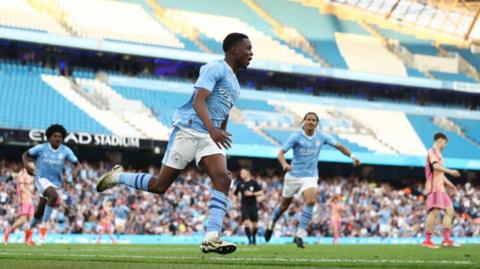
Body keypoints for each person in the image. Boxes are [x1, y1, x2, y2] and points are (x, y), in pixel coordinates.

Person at [96, 33, 253, 255]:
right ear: (234, 50)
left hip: (209, 136)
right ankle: (117, 176)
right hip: (188, 129)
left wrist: (221, 132)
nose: (251, 53)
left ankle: (211, 237)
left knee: (223, 178)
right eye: (248, 48)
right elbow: (199, 101)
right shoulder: (214, 68)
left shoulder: (235, 84)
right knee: (160, 186)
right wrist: (213, 130)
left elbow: (223, 110)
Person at [264, 112, 361, 248]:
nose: (310, 122)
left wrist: (352, 156)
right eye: (308, 119)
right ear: (304, 121)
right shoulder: (296, 136)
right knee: (284, 206)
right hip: (293, 176)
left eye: (313, 120)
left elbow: (339, 146)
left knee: (311, 200)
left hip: (310, 176)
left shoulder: (321, 136)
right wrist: (285, 164)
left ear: (316, 123)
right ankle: (271, 223)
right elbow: (280, 153)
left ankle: (300, 234)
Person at [22, 124, 79, 244]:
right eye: (55, 136)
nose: (58, 138)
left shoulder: (66, 150)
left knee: (39, 211)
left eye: (60, 136)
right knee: (53, 196)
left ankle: (28, 230)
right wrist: (27, 165)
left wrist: (74, 173)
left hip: (55, 182)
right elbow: (25, 155)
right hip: (41, 178)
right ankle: (44, 228)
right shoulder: (41, 148)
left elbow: (77, 164)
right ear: (49, 137)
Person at [422, 132, 460, 248]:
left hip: (441, 188)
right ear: (440, 140)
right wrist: (451, 171)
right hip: (434, 187)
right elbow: (435, 167)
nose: (445, 145)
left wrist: (450, 184)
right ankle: (427, 241)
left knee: (450, 211)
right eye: (445, 142)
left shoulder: (438, 154)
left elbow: (440, 173)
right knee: (434, 212)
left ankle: (446, 240)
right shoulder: (432, 151)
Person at [3, 168, 35, 245]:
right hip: (24, 200)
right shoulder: (22, 173)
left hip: (29, 200)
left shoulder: (30, 173)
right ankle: (7, 233)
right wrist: (31, 194)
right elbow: (22, 188)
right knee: (22, 220)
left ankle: (27, 239)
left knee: (32, 220)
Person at [234, 168, 262, 245]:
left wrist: (252, 194)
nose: (241, 174)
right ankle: (249, 240)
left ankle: (253, 236)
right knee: (247, 223)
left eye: (243, 172)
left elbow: (261, 192)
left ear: (248, 173)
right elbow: (235, 194)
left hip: (253, 206)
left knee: (255, 225)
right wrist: (235, 203)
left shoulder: (254, 182)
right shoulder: (240, 184)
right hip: (244, 206)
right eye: (240, 173)